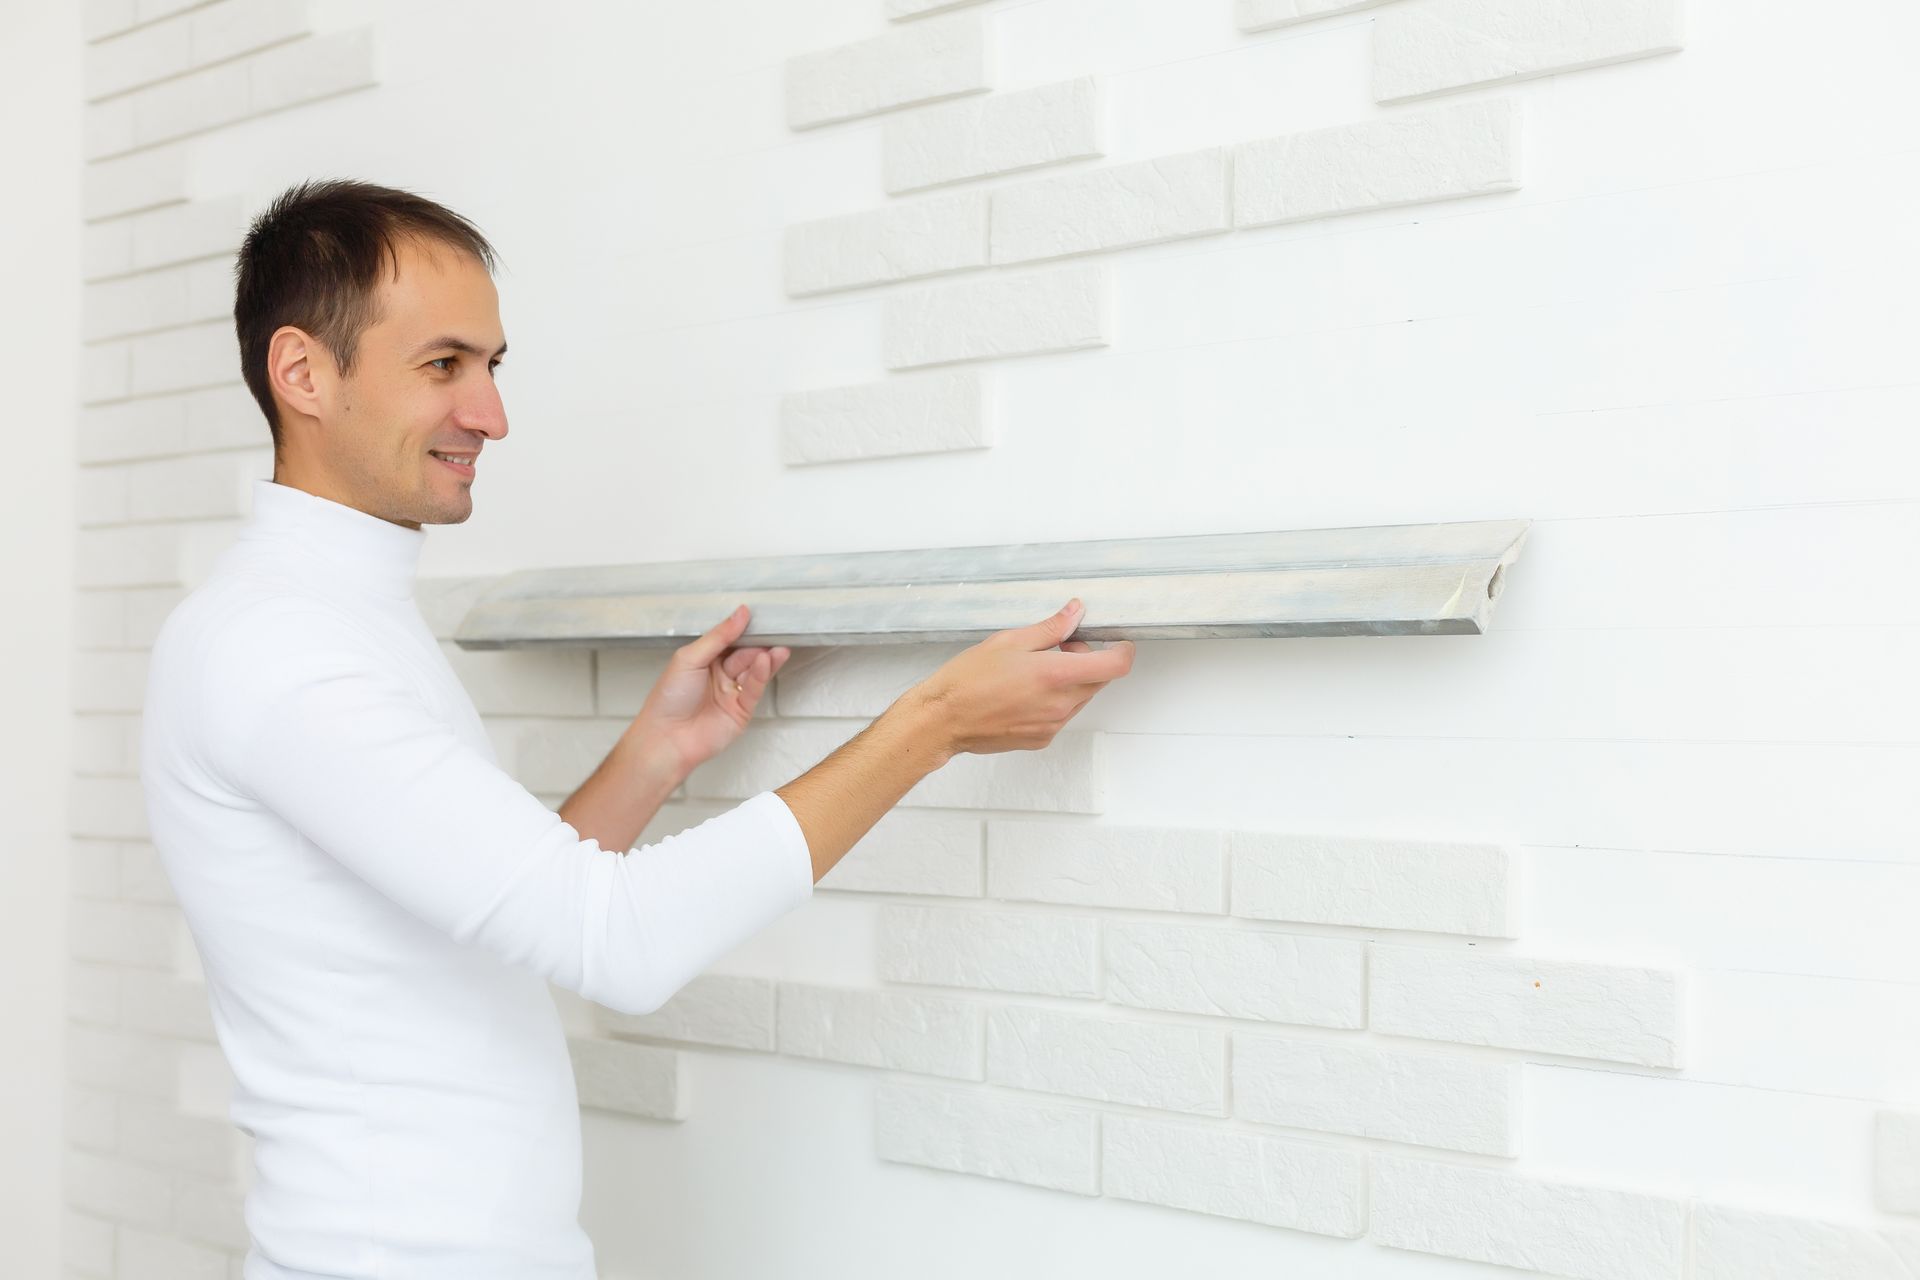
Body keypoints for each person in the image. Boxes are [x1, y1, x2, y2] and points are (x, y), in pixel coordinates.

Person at [138, 177, 1134, 1280]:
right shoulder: (276, 649)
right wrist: (933, 724)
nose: (491, 414)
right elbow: (614, 941)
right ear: (302, 374)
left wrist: (657, 754)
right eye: (444, 364)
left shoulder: (331, 621)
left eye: (492, 365)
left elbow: (489, 918)